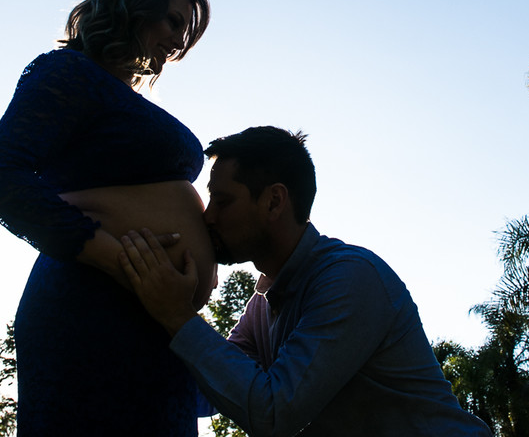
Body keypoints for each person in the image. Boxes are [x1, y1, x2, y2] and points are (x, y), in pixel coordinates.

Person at [0, 0, 216, 437]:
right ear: (131, 7)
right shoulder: (67, 73)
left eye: (184, 32)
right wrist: (118, 259)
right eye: (172, 22)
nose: (177, 42)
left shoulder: (118, 99)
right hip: (90, 312)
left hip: (154, 319)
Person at [119, 126, 495, 437]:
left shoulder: (349, 278)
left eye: (223, 201)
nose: (209, 217)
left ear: (273, 201)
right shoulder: (262, 306)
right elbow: (212, 391)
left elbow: (274, 413)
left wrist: (177, 314)